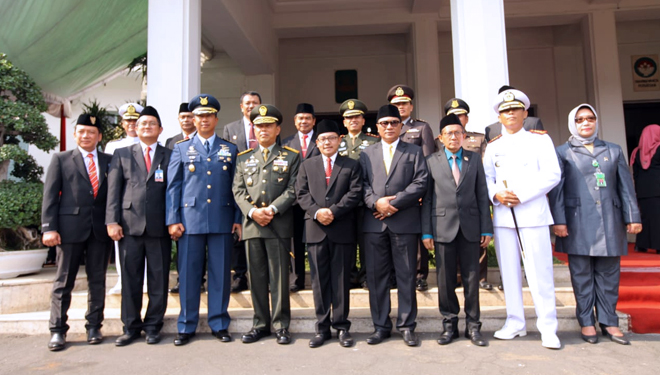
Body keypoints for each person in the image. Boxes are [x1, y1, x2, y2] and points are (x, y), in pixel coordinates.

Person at [549, 103, 642, 345]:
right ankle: (586, 321)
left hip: (610, 220)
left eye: (590, 118)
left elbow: (625, 186)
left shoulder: (613, 149)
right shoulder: (562, 152)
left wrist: (632, 217)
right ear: (573, 123)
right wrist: (558, 221)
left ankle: (609, 321)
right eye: (580, 119)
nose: (586, 123)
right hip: (577, 222)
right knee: (581, 275)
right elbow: (557, 191)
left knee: (609, 275)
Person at [483, 88, 562, 349]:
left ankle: (548, 327)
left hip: (533, 214)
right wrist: (497, 193)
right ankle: (515, 322)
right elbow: (486, 178)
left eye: (515, 109)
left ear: (525, 112)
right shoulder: (494, 145)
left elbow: (552, 174)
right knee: (509, 274)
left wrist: (522, 195)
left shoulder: (540, 140)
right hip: (505, 217)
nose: (510, 114)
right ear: (499, 116)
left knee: (540, 273)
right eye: (505, 111)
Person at [166, 94, 241, 346]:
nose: (204, 119)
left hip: (222, 218)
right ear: (193, 120)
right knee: (188, 274)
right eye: (199, 115)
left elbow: (236, 187)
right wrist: (172, 219)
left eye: (208, 115)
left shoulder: (229, 149)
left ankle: (219, 323)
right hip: (189, 221)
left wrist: (238, 218)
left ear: (216, 118)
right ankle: (186, 325)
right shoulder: (180, 148)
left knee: (220, 273)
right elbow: (173, 187)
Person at [359, 104, 428, 346]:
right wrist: (376, 203)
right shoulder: (367, 153)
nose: (389, 127)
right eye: (384, 123)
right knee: (377, 278)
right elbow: (362, 185)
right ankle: (380, 326)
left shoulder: (414, 151)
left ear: (401, 126)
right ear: (377, 127)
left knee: (407, 276)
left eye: (394, 123)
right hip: (374, 223)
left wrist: (394, 203)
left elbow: (421, 182)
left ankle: (407, 326)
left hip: (404, 221)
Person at [42, 114, 112, 351]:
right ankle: (58, 330)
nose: (86, 136)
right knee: (64, 281)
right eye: (81, 132)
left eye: (91, 132)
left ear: (99, 136)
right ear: (75, 134)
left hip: (100, 230)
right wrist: (48, 227)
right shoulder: (61, 159)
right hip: (69, 229)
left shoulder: (109, 160)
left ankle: (94, 326)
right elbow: (50, 196)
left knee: (97, 281)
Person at [421, 113, 492, 347]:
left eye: (458, 133)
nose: (454, 137)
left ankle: (473, 326)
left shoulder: (474, 159)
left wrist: (486, 228)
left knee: (472, 280)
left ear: (464, 135)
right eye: (449, 133)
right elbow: (428, 200)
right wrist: (427, 232)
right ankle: (449, 325)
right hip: (442, 228)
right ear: (441, 138)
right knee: (445, 280)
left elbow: (482, 196)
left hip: (471, 228)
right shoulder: (431, 161)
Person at [233, 104, 300, 345]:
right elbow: (238, 190)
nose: (263, 129)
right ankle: (260, 324)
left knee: (279, 278)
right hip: (252, 227)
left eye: (268, 125)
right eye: (258, 126)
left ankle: (281, 325)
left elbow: (294, 189)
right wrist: (252, 212)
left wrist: (271, 209)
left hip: (278, 225)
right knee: (257, 277)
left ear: (277, 128)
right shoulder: (243, 159)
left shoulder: (291, 156)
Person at [106, 106, 172, 346]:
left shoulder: (170, 154)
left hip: (159, 228)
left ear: (160, 129)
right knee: (130, 280)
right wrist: (112, 221)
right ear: (135, 127)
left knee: (159, 280)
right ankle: (130, 326)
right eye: (142, 124)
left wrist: (173, 221)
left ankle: (154, 326)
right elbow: (113, 192)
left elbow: (173, 191)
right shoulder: (122, 154)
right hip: (128, 227)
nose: (146, 127)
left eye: (151, 124)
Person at [296, 119, 363, 348]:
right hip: (316, 230)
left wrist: (333, 211)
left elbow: (355, 193)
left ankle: (342, 327)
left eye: (332, 138)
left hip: (342, 229)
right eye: (323, 139)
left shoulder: (351, 165)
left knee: (341, 281)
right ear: (317, 141)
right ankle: (322, 328)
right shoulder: (307, 165)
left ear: (339, 140)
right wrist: (317, 212)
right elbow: (301, 194)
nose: (327, 142)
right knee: (319, 282)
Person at [386, 85, 435, 291]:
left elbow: (428, 160)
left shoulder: (421, 128)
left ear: (411, 106)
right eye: (396, 104)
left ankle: (419, 275)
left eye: (404, 103)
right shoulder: (387, 127)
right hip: (390, 193)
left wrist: (422, 191)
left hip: (414, 192)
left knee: (415, 235)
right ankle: (395, 275)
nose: (400, 107)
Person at [441, 98, 492, 290]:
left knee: (477, 241)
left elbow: (485, 168)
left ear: (467, 118)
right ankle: (456, 277)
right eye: (452, 116)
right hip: (449, 200)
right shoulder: (444, 140)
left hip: (473, 195)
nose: (457, 118)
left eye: (460, 115)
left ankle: (480, 278)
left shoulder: (478, 139)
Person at [221, 91, 263, 293]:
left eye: (255, 103)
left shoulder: (266, 126)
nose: (251, 106)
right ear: (241, 106)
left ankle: (263, 277)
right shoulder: (231, 129)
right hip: (238, 187)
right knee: (238, 232)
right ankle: (239, 275)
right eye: (247, 103)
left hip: (262, 188)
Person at [337, 99, 379, 289]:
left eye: (357, 117)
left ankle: (366, 276)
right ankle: (350, 275)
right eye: (349, 118)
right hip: (343, 201)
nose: (353, 120)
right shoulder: (337, 142)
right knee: (346, 240)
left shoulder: (373, 141)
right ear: (344, 122)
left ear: (363, 120)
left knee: (365, 241)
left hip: (364, 201)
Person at [105, 102, 144, 295]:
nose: (132, 124)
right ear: (122, 123)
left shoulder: (153, 145)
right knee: (122, 246)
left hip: (146, 206)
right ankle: (122, 281)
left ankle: (144, 282)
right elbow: (111, 181)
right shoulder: (114, 147)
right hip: (124, 204)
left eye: (135, 120)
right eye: (128, 121)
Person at [283, 103, 319, 292]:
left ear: (313, 121)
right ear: (295, 121)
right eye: (300, 118)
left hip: (317, 201)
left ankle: (316, 279)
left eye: (307, 118)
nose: (303, 121)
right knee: (295, 242)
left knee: (316, 242)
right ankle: (296, 280)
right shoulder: (286, 143)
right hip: (294, 202)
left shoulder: (321, 142)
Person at [166, 102, 200, 295]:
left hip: (200, 203)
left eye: (190, 116)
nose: (186, 120)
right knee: (183, 247)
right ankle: (182, 279)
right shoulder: (172, 142)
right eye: (183, 117)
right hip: (182, 203)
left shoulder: (203, 140)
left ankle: (201, 279)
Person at [631, 124, 660, 253]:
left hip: (643, 191)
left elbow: (635, 174)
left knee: (645, 218)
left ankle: (641, 245)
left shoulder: (636, 152)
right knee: (657, 218)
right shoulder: (659, 148)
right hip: (658, 190)